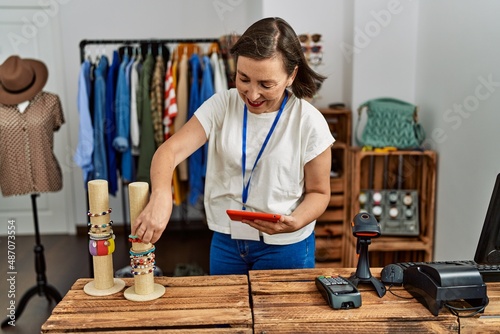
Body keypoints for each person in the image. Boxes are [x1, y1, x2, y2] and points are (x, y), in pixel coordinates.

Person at [132, 17, 335, 275]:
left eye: (266, 84)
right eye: (243, 79)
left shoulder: (309, 122)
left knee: (277, 315)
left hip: (285, 246)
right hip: (227, 241)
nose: (252, 94)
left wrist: (295, 222)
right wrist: (161, 195)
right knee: (229, 314)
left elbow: (319, 192)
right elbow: (169, 151)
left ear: (291, 75)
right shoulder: (222, 105)